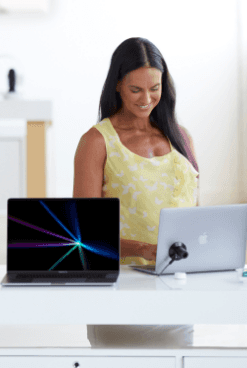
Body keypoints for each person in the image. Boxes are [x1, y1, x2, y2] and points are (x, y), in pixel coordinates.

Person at [74, 37, 199, 347]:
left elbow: (197, 214)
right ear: (118, 85)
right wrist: (142, 250)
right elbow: (84, 237)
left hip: (179, 289)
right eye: (136, 90)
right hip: (120, 290)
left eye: (154, 88)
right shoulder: (96, 142)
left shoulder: (182, 138)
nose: (146, 98)